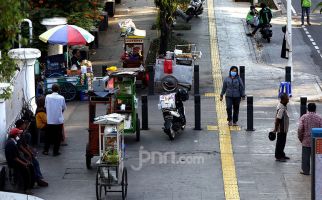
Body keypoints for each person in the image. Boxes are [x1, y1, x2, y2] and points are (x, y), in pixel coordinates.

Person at [5, 130, 34, 194]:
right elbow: (15, 158)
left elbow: (17, 155)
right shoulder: (11, 144)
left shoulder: (13, 142)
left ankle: (31, 185)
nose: (20, 135)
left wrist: (26, 161)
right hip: (13, 162)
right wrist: (24, 163)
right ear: (16, 135)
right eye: (18, 134)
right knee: (26, 170)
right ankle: (26, 189)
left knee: (30, 165)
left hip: (16, 160)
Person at [298, 103, 322, 175]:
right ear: (315, 109)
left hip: (306, 140)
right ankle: (317, 171)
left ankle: (306, 171)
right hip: (316, 141)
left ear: (307, 108)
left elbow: (300, 129)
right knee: (317, 157)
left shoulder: (304, 117)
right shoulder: (319, 118)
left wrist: (300, 138)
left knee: (305, 157)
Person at [43, 84, 66, 156]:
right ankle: (55, 151)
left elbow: (45, 106)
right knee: (58, 137)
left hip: (49, 120)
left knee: (48, 136)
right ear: (58, 90)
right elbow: (63, 108)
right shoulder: (61, 98)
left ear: (51, 89)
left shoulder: (47, 97)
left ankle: (46, 150)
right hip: (58, 120)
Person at [272, 93, 290, 162]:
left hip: (284, 129)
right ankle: (278, 156)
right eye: (287, 100)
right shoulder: (281, 108)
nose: (288, 101)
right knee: (280, 143)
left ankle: (282, 154)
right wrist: (275, 130)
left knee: (283, 142)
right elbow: (278, 119)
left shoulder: (284, 106)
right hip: (281, 129)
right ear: (282, 100)